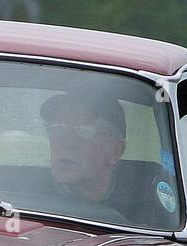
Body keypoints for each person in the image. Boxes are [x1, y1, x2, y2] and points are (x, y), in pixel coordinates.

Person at [39, 90, 130, 221]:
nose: (67, 143)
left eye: (83, 131)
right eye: (57, 129)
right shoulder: (24, 199)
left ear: (115, 150)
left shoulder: (148, 207)